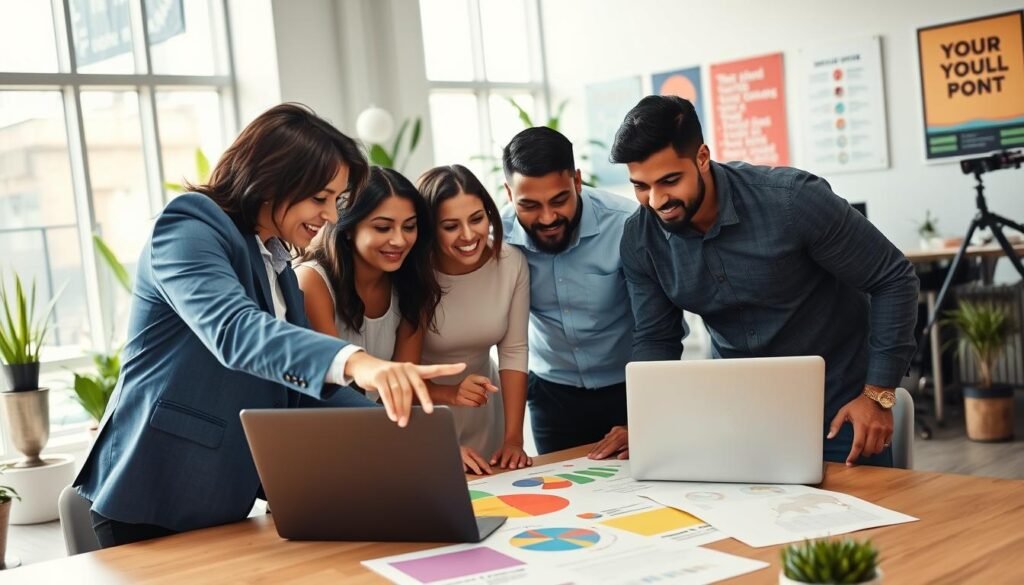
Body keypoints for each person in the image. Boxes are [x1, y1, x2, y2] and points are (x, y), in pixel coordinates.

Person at [73, 103, 463, 547]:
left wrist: (408, 439)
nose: (331, 217)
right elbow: (237, 332)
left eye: (335, 201)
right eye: (320, 198)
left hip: (221, 500)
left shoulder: (275, 263)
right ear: (273, 180)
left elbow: (293, 393)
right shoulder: (189, 227)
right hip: (152, 492)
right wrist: (359, 362)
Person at [591, 95, 919, 466]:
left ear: (702, 158)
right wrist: (648, 423)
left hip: (843, 414)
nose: (656, 200)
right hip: (742, 424)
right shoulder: (641, 238)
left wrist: (878, 395)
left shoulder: (792, 202)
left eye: (670, 180)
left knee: (866, 525)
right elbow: (656, 337)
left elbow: (893, 278)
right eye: (640, 186)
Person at [499, 127, 638, 454]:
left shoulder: (626, 224)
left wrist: (648, 416)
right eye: (529, 205)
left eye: (559, 200)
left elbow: (657, 324)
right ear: (508, 193)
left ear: (577, 181)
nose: (547, 218)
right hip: (552, 395)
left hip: (630, 388)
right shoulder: (497, 237)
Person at [417, 164, 532, 475]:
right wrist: (434, 443)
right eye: (451, 226)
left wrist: (513, 439)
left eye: (477, 219)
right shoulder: (414, 273)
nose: (468, 235)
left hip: (485, 411)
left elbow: (514, 351)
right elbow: (403, 372)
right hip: (423, 415)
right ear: (430, 227)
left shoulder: (511, 263)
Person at [296, 166, 442, 405]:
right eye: (383, 227)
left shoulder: (413, 282)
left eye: (409, 226)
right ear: (349, 229)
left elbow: (401, 389)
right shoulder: (312, 281)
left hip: (379, 424)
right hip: (325, 424)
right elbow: (335, 386)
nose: (399, 240)